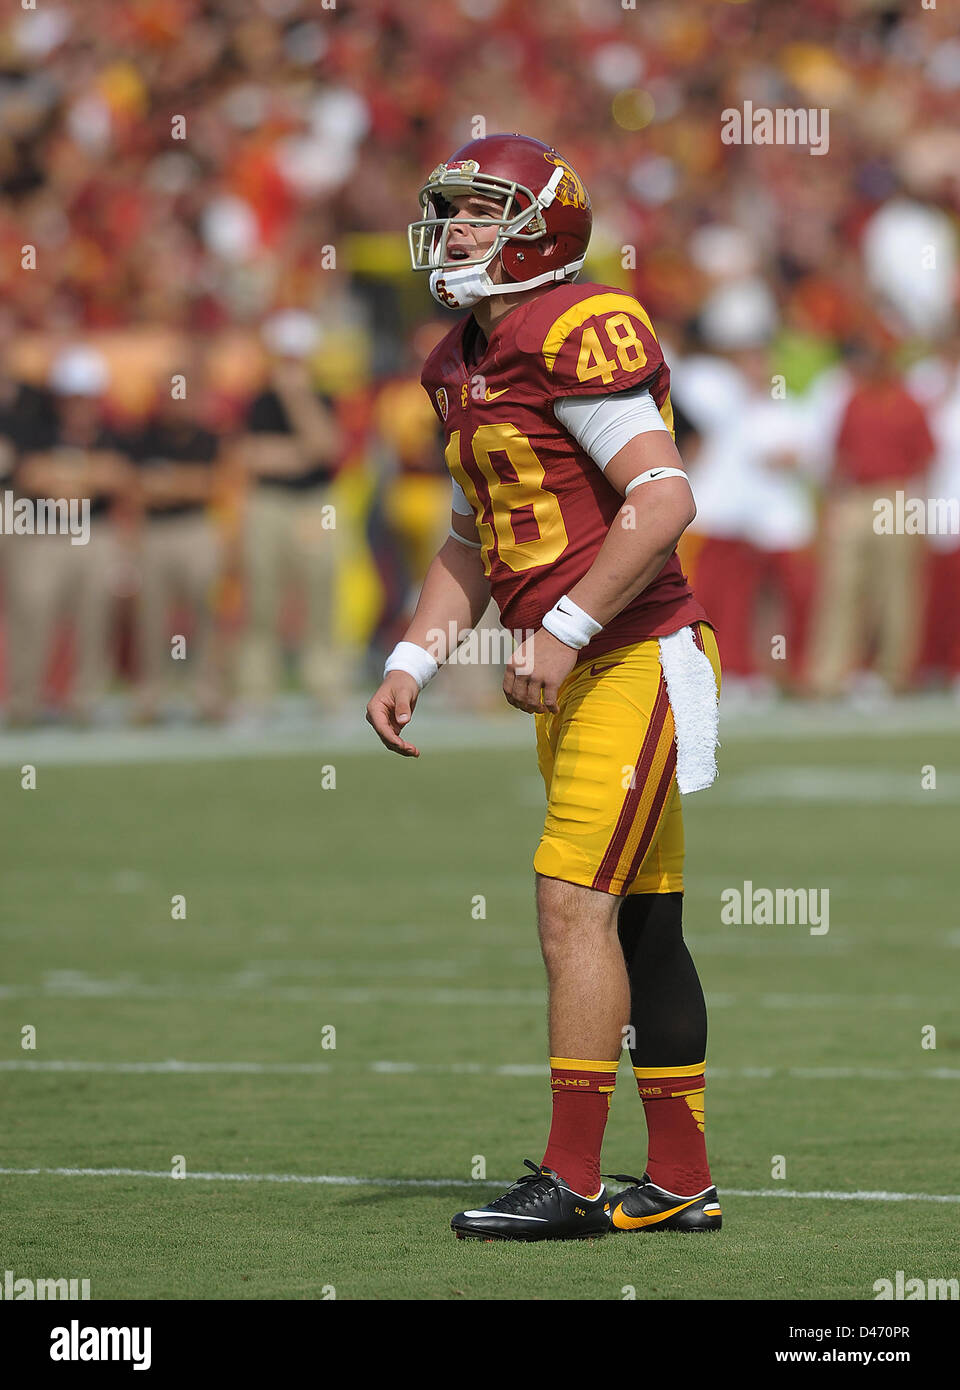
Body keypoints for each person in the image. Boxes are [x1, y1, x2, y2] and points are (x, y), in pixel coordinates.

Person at [366, 135, 722, 1241]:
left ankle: (571, 1181)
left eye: (483, 213)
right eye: (453, 212)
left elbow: (661, 499)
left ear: (543, 230)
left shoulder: (574, 322)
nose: (458, 231)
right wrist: (415, 656)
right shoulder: (452, 360)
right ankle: (678, 1182)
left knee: (572, 906)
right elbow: (476, 531)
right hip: (577, 668)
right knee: (644, 925)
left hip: (634, 654)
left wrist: (565, 628)